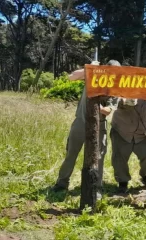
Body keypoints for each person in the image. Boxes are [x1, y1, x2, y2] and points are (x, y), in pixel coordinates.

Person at [51, 59, 121, 192]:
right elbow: (71, 77)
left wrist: (97, 106)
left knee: (99, 157)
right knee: (71, 154)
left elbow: (108, 111)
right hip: (80, 122)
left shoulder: (115, 88)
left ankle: (96, 187)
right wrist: (90, 69)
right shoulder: (92, 75)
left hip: (99, 125)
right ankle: (61, 183)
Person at [110, 97, 146, 193]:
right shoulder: (124, 85)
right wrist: (122, 100)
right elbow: (112, 100)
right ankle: (122, 182)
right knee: (119, 158)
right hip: (121, 131)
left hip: (142, 134)